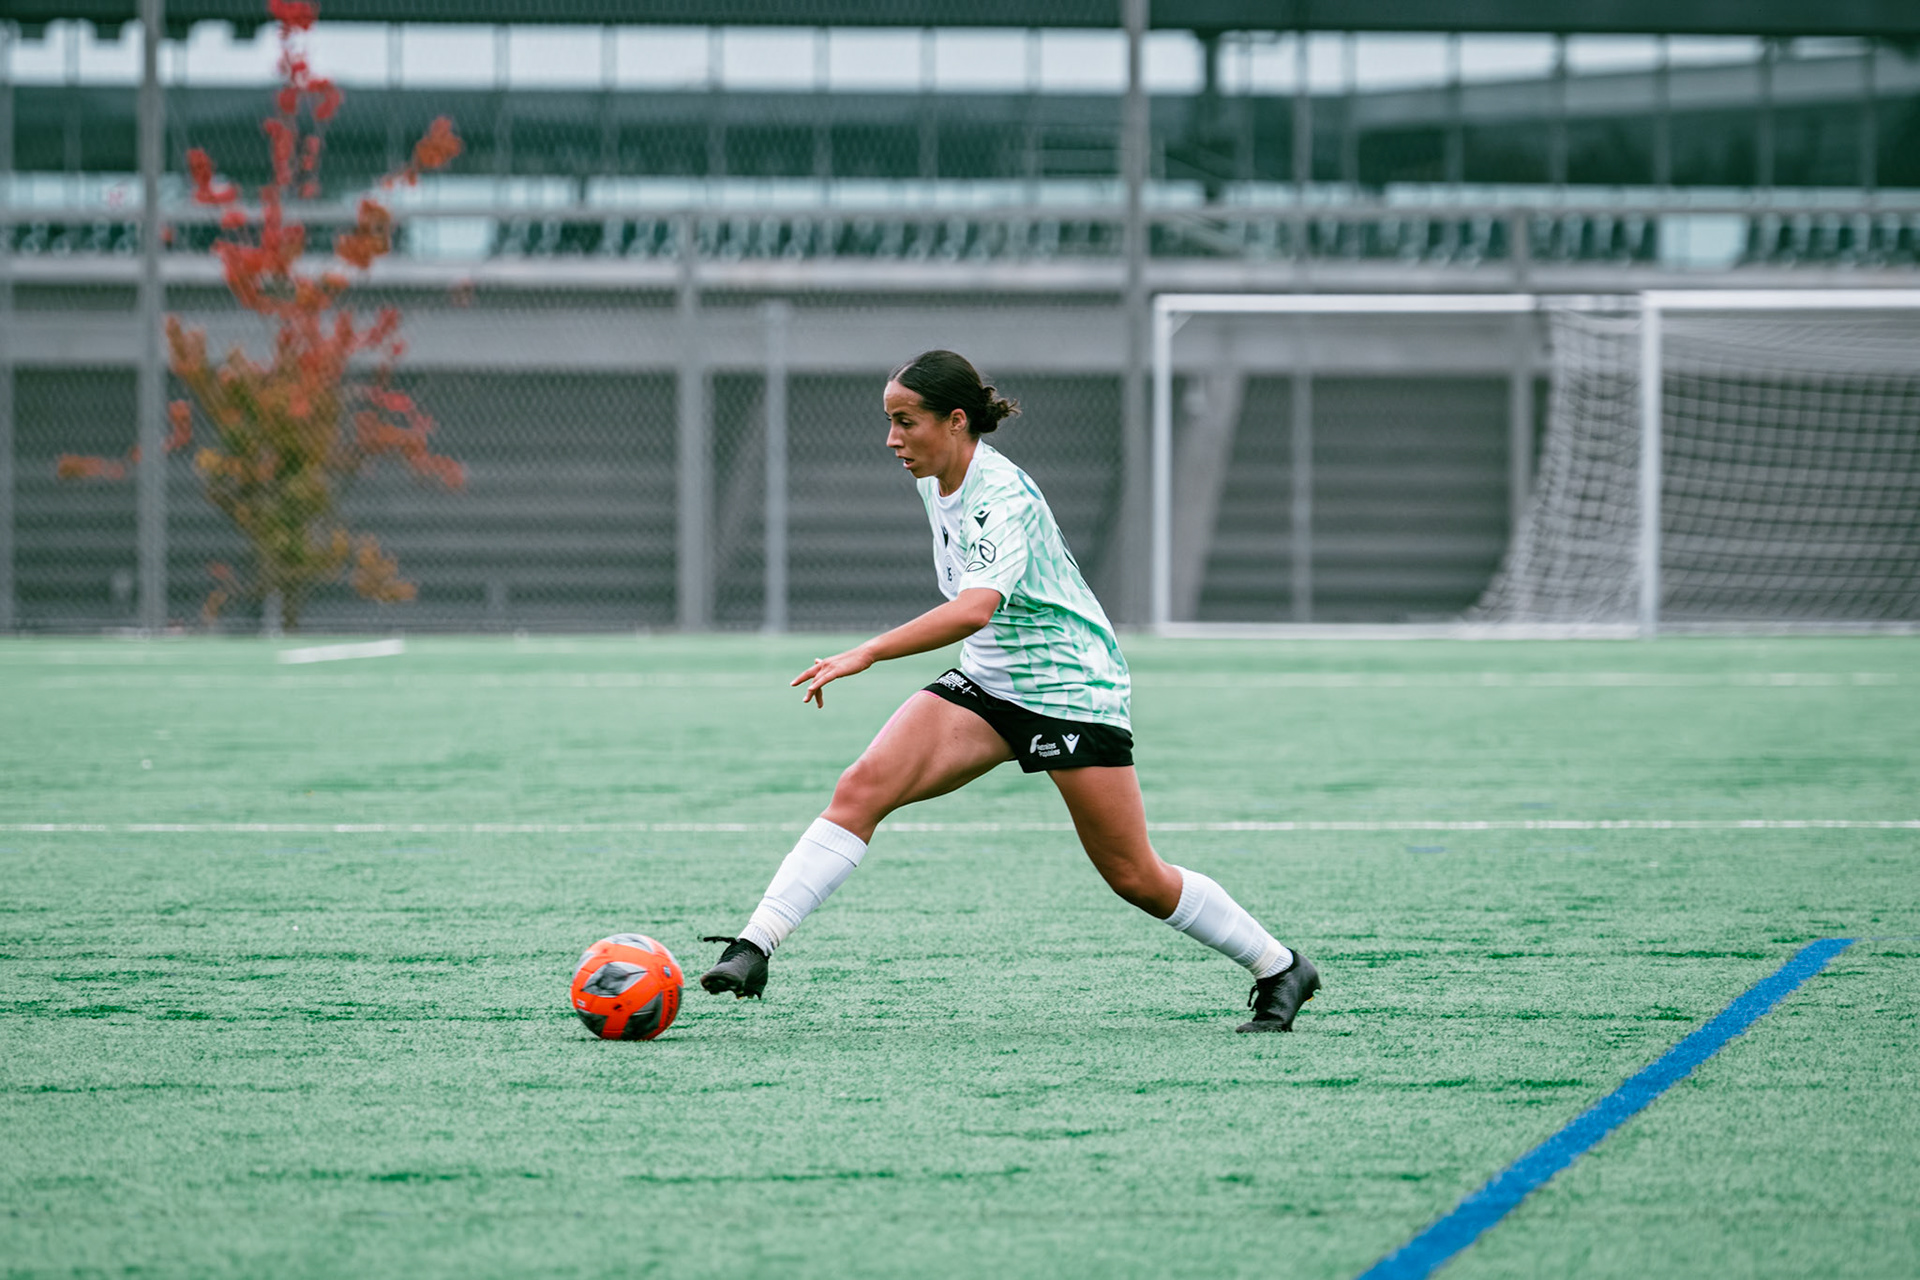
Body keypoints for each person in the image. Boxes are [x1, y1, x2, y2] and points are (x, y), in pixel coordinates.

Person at [699, 350, 1319, 1032]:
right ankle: (753, 945)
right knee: (862, 786)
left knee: (1133, 874)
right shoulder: (934, 477)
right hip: (991, 680)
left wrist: (866, 652)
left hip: (1070, 688)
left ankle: (1279, 966)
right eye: (888, 422)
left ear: (956, 421)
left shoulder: (1001, 495)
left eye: (906, 422)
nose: (892, 440)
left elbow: (974, 608)